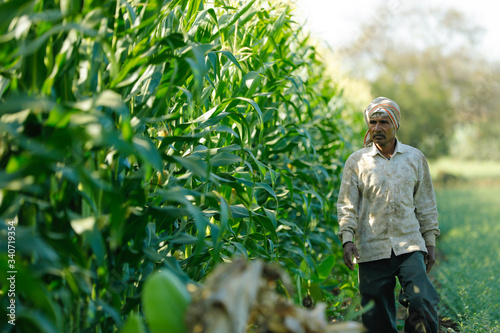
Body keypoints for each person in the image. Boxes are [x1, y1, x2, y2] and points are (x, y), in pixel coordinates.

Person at [336, 97, 440, 333]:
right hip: (371, 248)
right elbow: (347, 205)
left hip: (409, 245)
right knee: (376, 317)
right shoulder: (357, 162)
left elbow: (426, 203)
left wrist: (430, 242)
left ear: (396, 125)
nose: (377, 128)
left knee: (423, 300)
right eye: (372, 122)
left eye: (383, 122)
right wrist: (348, 239)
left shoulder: (415, 158)